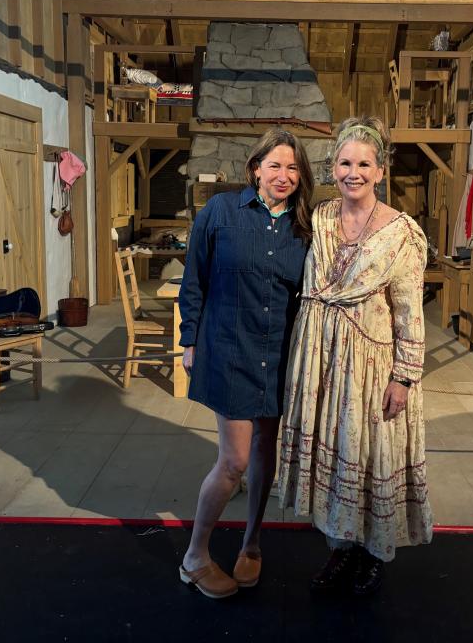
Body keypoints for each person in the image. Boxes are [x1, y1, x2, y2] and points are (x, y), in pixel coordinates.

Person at [277, 116, 433, 595]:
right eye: (345, 162)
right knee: (336, 455)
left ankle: (373, 555)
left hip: (369, 366)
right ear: (333, 167)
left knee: (367, 455)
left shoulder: (402, 233)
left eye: (364, 163)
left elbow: (410, 312)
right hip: (319, 362)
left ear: (380, 170)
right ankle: (340, 550)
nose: (353, 172)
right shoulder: (320, 217)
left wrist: (403, 378)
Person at [177, 128, 315, 599]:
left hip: (277, 355)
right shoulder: (219, 211)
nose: (284, 175)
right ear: (255, 168)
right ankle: (194, 557)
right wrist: (188, 338)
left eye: (293, 168)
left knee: (264, 451)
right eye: (275, 165)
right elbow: (192, 278)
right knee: (234, 460)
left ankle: (252, 543)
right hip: (228, 350)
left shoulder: (305, 227)